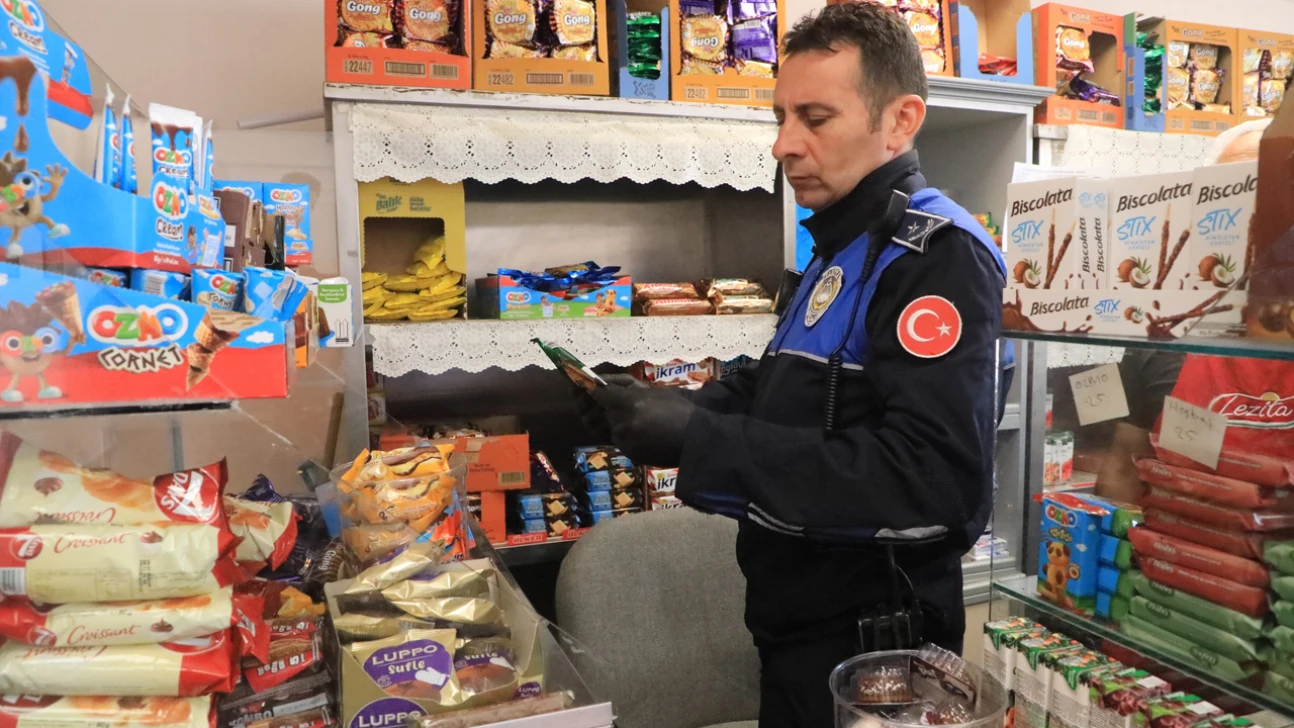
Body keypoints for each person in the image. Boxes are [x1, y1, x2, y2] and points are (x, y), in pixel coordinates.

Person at [578, 4, 1010, 725]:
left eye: (816, 118)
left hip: (878, 655)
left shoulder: (939, 257)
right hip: (799, 634)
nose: (784, 144)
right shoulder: (841, 246)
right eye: (780, 116)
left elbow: (932, 482)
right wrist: (671, 405)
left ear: (900, 121)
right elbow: (795, 389)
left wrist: (699, 440)